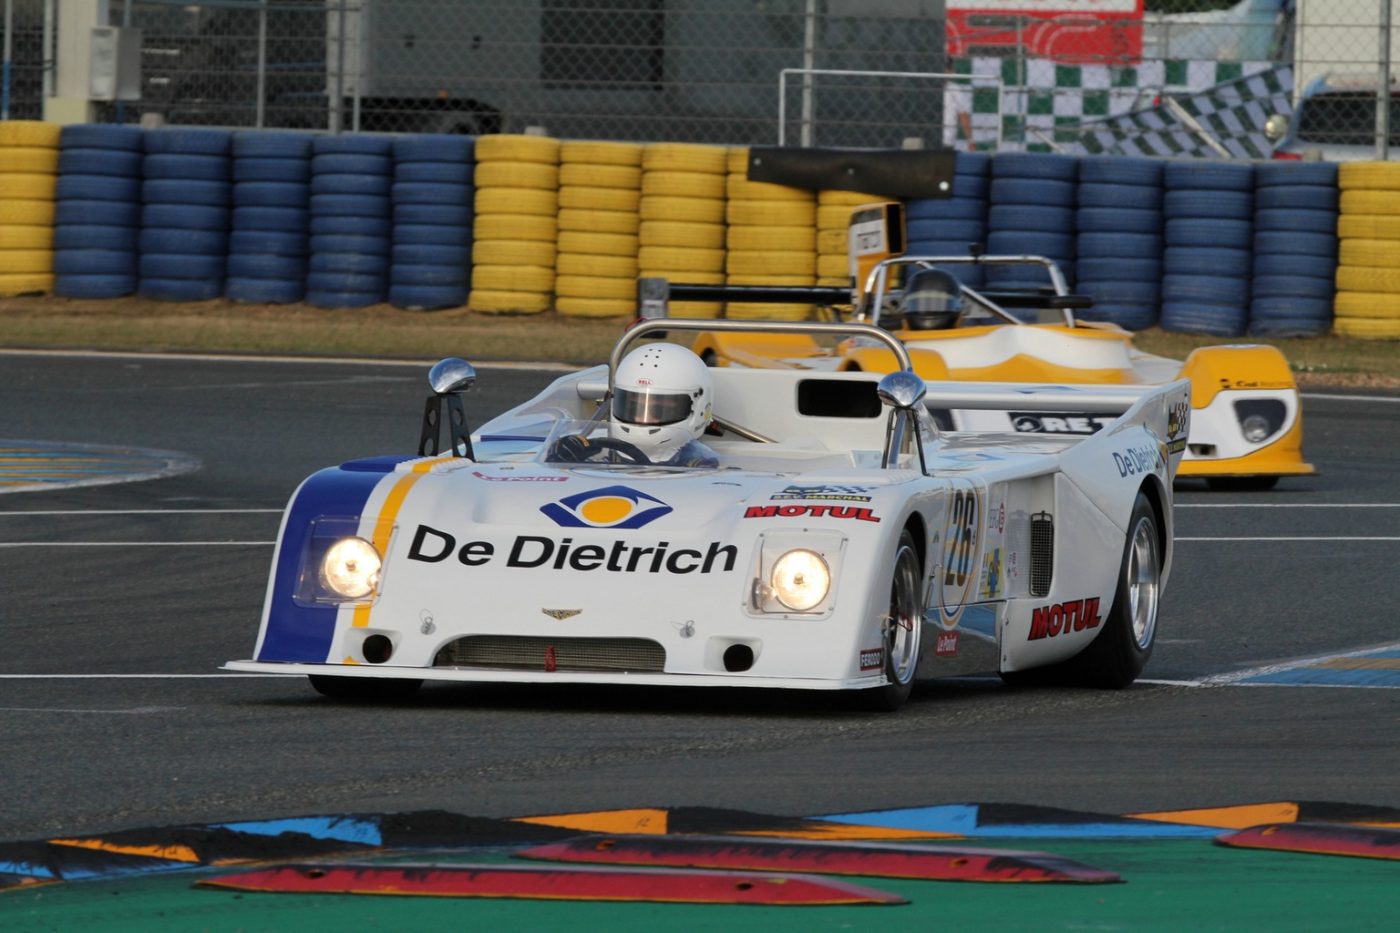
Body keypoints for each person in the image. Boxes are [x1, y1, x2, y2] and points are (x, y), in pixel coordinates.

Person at [552, 343, 719, 467]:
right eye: (633, 406)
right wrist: (558, 460)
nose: (643, 417)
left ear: (698, 408)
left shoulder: (709, 467)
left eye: (660, 409)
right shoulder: (590, 452)